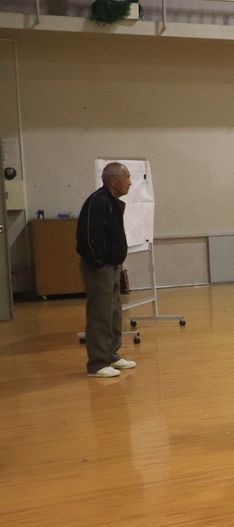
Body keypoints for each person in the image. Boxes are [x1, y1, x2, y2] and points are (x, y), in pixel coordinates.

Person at [76, 161, 135, 378]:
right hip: (100, 268)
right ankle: (97, 364)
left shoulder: (112, 202)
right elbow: (87, 237)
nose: (130, 182)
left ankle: (111, 354)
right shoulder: (98, 201)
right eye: (126, 178)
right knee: (100, 314)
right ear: (113, 181)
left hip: (112, 266)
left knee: (113, 312)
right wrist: (98, 264)